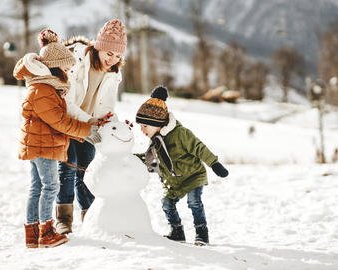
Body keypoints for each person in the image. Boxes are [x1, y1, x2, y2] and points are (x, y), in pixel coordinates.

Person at [13, 29, 110, 248]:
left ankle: (33, 234)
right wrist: (86, 130)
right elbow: (59, 121)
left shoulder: (47, 87)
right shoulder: (43, 89)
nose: (69, 70)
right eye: (66, 66)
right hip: (42, 145)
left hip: (40, 144)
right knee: (50, 187)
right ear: (55, 66)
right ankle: (46, 232)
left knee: (38, 187)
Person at [55, 18, 128, 234]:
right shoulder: (76, 61)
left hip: (90, 127)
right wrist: (89, 122)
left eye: (118, 56)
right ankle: (64, 220)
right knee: (68, 167)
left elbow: (107, 106)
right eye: (109, 53)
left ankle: (90, 216)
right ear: (99, 47)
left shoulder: (114, 73)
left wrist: (114, 126)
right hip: (68, 122)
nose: (112, 60)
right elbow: (66, 100)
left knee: (86, 171)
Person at [135, 86, 229, 245]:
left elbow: (199, 147)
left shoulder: (180, 133)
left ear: (157, 122)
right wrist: (129, 159)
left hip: (193, 176)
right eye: (141, 126)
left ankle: (201, 233)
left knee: (194, 203)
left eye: (145, 126)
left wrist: (214, 163)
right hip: (174, 182)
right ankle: (177, 231)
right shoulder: (156, 141)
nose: (142, 130)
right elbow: (150, 160)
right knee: (167, 203)